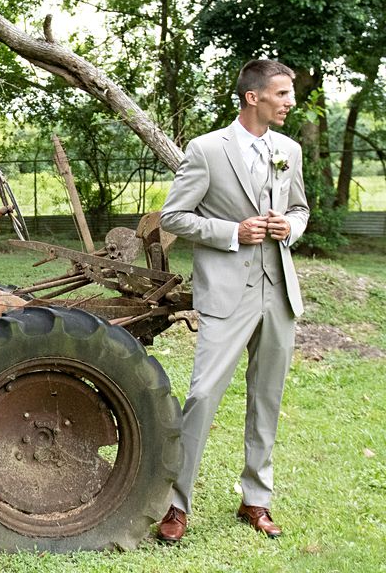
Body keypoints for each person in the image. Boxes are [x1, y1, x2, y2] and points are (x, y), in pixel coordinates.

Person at [157, 59, 309, 542]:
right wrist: (231, 232)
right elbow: (174, 216)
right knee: (203, 394)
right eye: (282, 94)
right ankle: (175, 503)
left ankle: (256, 500)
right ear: (253, 97)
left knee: (267, 397)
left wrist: (293, 226)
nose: (289, 102)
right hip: (227, 292)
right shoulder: (205, 150)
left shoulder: (289, 150)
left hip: (279, 291)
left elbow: (301, 208)